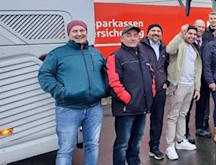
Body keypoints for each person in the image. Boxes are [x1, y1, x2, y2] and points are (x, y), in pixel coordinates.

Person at [38, 20, 106, 165]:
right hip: (68, 109)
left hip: (94, 107)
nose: (79, 34)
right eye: (74, 31)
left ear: (86, 32)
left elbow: (105, 73)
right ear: (69, 34)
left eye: (82, 30)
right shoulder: (57, 54)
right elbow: (44, 75)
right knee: (65, 150)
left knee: (92, 145)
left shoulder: (95, 53)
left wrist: (104, 90)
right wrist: (61, 92)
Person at [106, 25, 155, 165]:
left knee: (137, 140)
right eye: (128, 35)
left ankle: (134, 162)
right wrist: (128, 99)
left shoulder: (143, 55)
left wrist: (151, 94)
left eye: (135, 35)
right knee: (123, 143)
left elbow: (151, 76)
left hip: (142, 106)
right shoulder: (115, 56)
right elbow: (113, 83)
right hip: (126, 109)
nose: (132, 38)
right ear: (122, 38)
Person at [165, 24, 202, 160]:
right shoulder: (179, 44)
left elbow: (197, 69)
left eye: (194, 34)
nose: (192, 36)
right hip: (178, 85)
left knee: (183, 114)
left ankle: (180, 141)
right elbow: (169, 50)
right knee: (173, 116)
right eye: (189, 33)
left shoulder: (194, 49)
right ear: (184, 33)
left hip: (190, 86)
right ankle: (170, 145)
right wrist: (180, 34)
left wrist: (197, 88)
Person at [139, 24, 169, 160]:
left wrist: (166, 82)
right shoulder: (140, 47)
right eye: (153, 31)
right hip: (143, 89)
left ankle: (154, 147)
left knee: (157, 119)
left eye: (158, 31)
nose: (156, 33)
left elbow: (168, 66)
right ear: (147, 33)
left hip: (160, 89)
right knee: (138, 121)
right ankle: (134, 152)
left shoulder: (164, 48)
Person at [192, 19, 213, 138]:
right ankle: (184, 132)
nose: (200, 29)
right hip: (190, 78)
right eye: (198, 27)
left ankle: (199, 128)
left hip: (203, 78)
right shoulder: (188, 41)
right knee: (187, 107)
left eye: (202, 27)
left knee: (202, 104)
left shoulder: (208, 42)